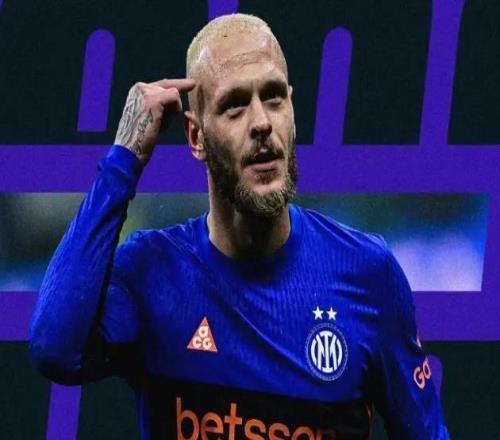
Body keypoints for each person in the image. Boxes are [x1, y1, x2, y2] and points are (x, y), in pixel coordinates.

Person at [29, 13, 450, 440]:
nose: (262, 122)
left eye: (274, 97)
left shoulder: (367, 273)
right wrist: (125, 157)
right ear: (196, 137)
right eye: (234, 105)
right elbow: (55, 350)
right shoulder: (151, 272)